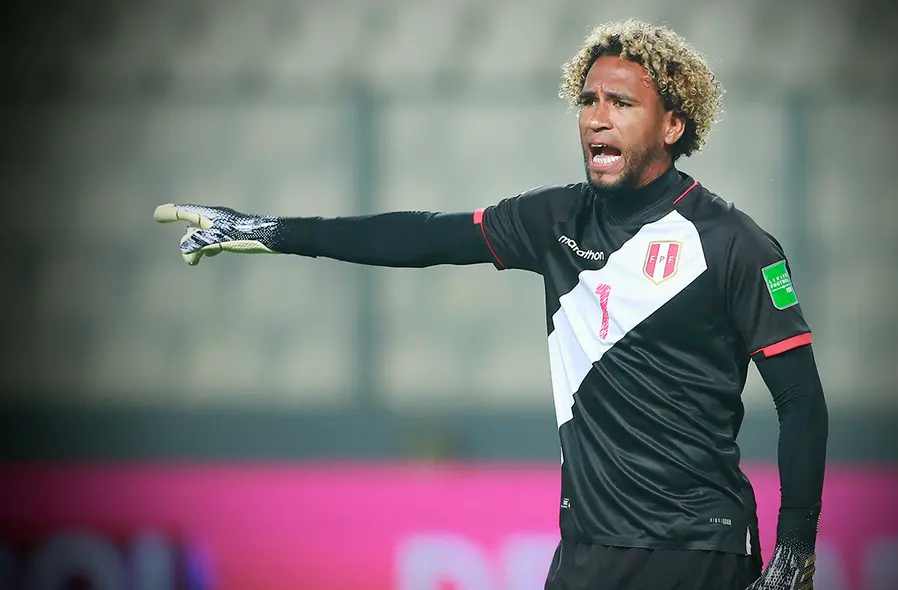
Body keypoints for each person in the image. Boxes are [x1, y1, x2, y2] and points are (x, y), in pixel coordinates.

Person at [154, 19, 827, 590]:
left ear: (674, 123)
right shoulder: (555, 220)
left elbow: (801, 401)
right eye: (588, 100)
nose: (597, 116)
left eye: (622, 103)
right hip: (586, 553)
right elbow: (421, 237)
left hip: (697, 551)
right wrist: (271, 230)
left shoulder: (735, 244)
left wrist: (794, 550)